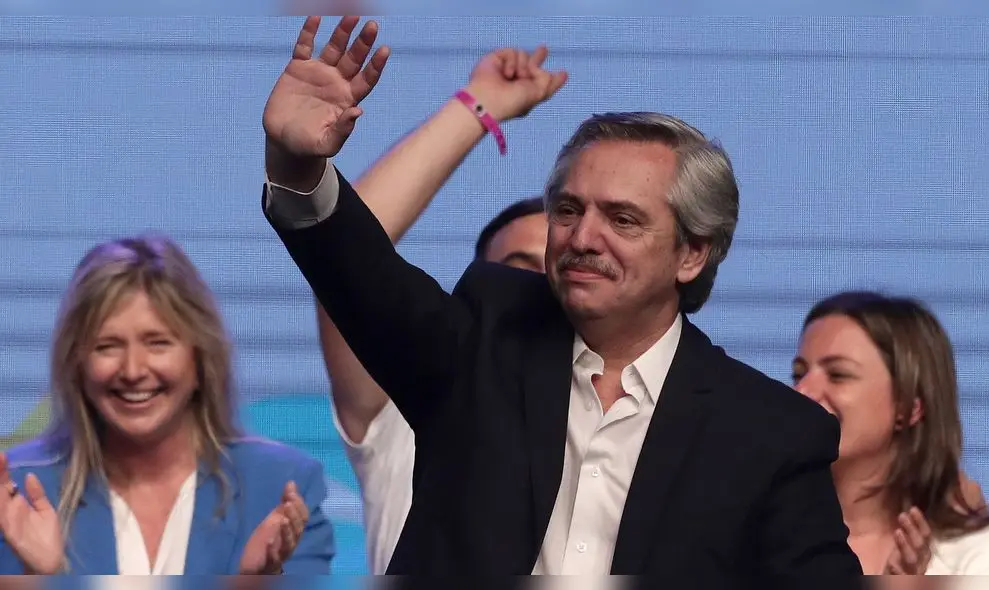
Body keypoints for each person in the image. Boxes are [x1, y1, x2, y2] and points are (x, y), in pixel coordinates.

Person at [261, 16, 863, 585]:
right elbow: (359, 272)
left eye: (622, 219)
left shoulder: (770, 433)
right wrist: (297, 163)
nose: (582, 237)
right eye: (570, 211)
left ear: (691, 254)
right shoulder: (486, 337)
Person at [314, 43, 561, 573]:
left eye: (562, 273)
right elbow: (345, 245)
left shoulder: (639, 427)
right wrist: (479, 105)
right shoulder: (409, 407)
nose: (542, 289)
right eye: (520, 268)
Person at [0, 235, 334, 575]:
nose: (132, 370)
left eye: (157, 343)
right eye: (107, 346)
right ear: (77, 364)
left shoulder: (280, 487)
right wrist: (41, 580)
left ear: (200, 357)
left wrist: (254, 584)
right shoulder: (15, 492)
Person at [792, 291, 989, 575]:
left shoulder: (980, 552)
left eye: (838, 375)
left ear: (908, 407)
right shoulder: (758, 538)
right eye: (798, 374)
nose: (803, 391)